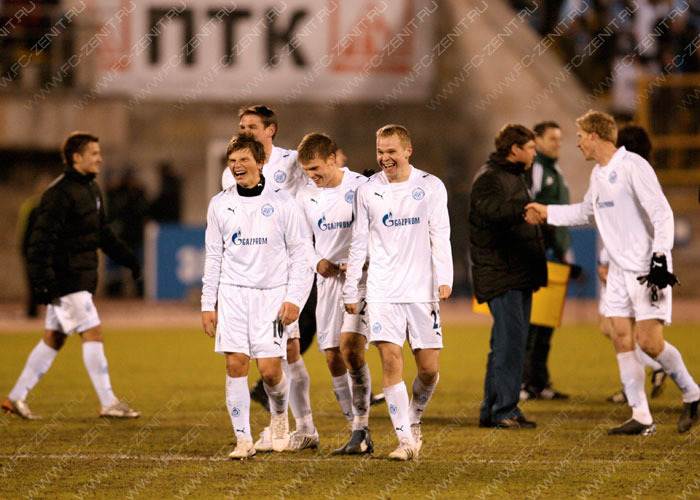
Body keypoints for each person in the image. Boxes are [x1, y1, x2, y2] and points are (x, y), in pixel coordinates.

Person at [526, 110, 699, 435]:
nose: (577, 144)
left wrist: (660, 257)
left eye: (580, 137)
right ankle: (641, 416)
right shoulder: (598, 175)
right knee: (621, 337)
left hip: (647, 269)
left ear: (595, 135)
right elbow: (585, 212)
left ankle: (692, 393)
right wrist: (547, 212)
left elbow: (662, 213)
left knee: (649, 342)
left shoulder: (634, 166)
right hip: (618, 271)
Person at [2, 132, 142, 420]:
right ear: (77, 157)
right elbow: (40, 242)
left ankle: (15, 398)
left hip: (79, 278)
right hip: (67, 280)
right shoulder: (58, 193)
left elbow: (102, 233)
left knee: (53, 339)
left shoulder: (92, 189)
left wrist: (128, 258)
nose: (100, 159)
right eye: (94, 153)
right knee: (93, 332)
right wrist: (42, 282)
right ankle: (108, 401)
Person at [344, 124, 453, 461]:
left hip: (421, 290)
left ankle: (414, 417)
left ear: (408, 151)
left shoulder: (430, 186)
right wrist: (351, 289)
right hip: (382, 290)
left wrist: (444, 277)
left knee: (428, 370)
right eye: (380, 151)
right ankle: (405, 439)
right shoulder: (368, 190)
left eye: (391, 151)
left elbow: (440, 233)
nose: (384, 158)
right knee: (390, 360)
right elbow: (358, 242)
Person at [201, 134, 311, 459]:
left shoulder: (283, 202)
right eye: (232, 161)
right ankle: (243, 440)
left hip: (271, 297)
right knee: (235, 364)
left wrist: (294, 298)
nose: (237, 166)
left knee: (270, 372)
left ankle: (279, 417)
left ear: (260, 162)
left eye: (244, 160)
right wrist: (208, 304)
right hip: (233, 295)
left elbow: (300, 255)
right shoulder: (219, 204)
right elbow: (213, 257)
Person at [295, 132, 374, 454]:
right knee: (332, 358)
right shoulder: (304, 195)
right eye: (306, 170)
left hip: (362, 280)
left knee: (350, 349)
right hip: (327, 283)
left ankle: (361, 428)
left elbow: (376, 231)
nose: (311, 175)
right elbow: (302, 240)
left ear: (332, 159)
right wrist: (317, 262)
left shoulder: (362, 187)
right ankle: (356, 429)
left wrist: (360, 261)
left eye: (315, 168)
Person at [470, 124, 547, 430]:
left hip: (517, 273)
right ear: (514, 149)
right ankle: (505, 410)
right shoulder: (488, 177)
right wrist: (523, 210)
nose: (534, 153)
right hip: (501, 273)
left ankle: (493, 409)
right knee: (510, 344)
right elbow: (491, 211)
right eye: (530, 148)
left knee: (507, 343)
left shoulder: (514, 176)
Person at [603, 125, 665, 403]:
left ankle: (682, 385)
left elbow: (630, 223)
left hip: (637, 265)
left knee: (640, 337)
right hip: (636, 263)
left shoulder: (630, 175)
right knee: (620, 331)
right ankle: (634, 395)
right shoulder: (637, 173)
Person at [521, 121, 571, 401]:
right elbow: (528, 209)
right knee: (533, 324)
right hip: (540, 255)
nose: (557, 144)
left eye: (560, 139)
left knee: (546, 325)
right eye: (552, 139)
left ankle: (539, 382)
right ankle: (523, 382)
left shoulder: (555, 169)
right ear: (537, 141)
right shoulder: (537, 169)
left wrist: (564, 249)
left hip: (555, 255)